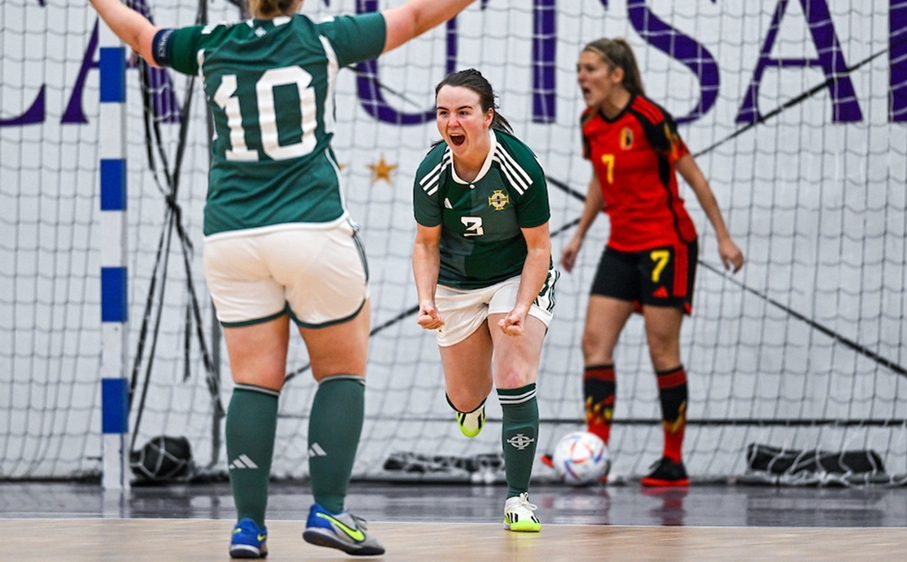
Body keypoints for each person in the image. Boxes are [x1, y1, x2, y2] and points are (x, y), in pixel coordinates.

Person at [86, 0, 475, 557]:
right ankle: (330, 511)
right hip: (311, 229)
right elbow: (414, 17)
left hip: (232, 236)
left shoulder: (209, 43)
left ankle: (248, 526)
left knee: (253, 382)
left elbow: (142, 35)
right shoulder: (323, 39)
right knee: (340, 371)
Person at [557, 38, 744, 487]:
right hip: (621, 244)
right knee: (593, 344)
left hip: (667, 243)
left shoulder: (650, 118)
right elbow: (602, 179)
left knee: (662, 350)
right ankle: (595, 457)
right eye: (579, 69)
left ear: (616, 74)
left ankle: (673, 461)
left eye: (591, 69)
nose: (581, 77)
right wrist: (580, 235)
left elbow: (692, 175)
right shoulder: (589, 123)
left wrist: (722, 235)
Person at [412, 68, 556, 532]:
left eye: (463, 112)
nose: (452, 122)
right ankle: (469, 407)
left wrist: (519, 307)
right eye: (443, 113)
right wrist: (426, 300)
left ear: (487, 117)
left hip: (518, 273)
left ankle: (518, 498)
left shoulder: (518, 166)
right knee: (467, 394)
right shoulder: (432, 172)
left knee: (513, 371)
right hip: (457, 283)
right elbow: (425, 245)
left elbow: (539, 248)